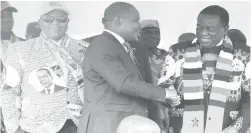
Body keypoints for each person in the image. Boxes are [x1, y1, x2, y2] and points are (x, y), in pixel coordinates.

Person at [77, 2, 181, 133]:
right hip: (107, 125)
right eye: (135, 20)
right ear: (118, 21)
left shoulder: (125, 46)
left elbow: (139, 86)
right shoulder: (102, 45)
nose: (139, 25)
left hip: (127, 124)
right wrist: (165, 93)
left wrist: (165, 100)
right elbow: (124, 83)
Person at [159, 5, 250, 133]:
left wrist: (236, 128)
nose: (203, 33)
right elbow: (163, 86)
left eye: (210, 29)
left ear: (225, 29)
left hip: (228, 128)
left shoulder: (244, 56)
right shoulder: (177, 52)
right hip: (183, 127)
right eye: (199, 27)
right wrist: (169, 95)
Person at [0, 2, 89, 133]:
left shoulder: (85, 49)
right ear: (39, 22)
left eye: (61, 19)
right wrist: (13, 129)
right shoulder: (20, 49)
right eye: (48, 19)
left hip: (80, 125)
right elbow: (9, 91)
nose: (55, 23)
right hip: (37, 127)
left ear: (68, 22)